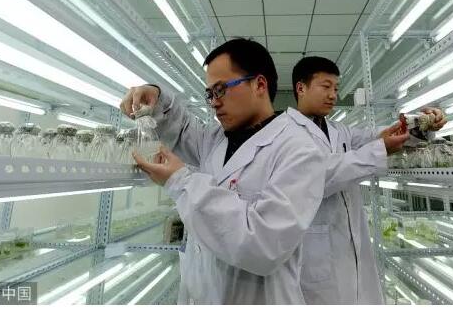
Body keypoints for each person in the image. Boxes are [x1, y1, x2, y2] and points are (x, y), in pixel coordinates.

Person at [119, 38, 325, 305]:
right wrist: (156, 97)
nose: (214, 102)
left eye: (221, 90)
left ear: (260, 85)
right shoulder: (215, 138)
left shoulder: (300, 150)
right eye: (210, 94)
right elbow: (181, 129)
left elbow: (264, 246)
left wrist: (181, 182)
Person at [286, 56, 446, 305]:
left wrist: (420, 125)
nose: (333, 95)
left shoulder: (339, 130)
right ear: (301, 88)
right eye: (326, 86)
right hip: (312, 251)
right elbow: (319, 177)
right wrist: (380, 149)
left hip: (350, 244)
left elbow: (377, 138)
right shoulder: (285, 133)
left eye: (336, 88)